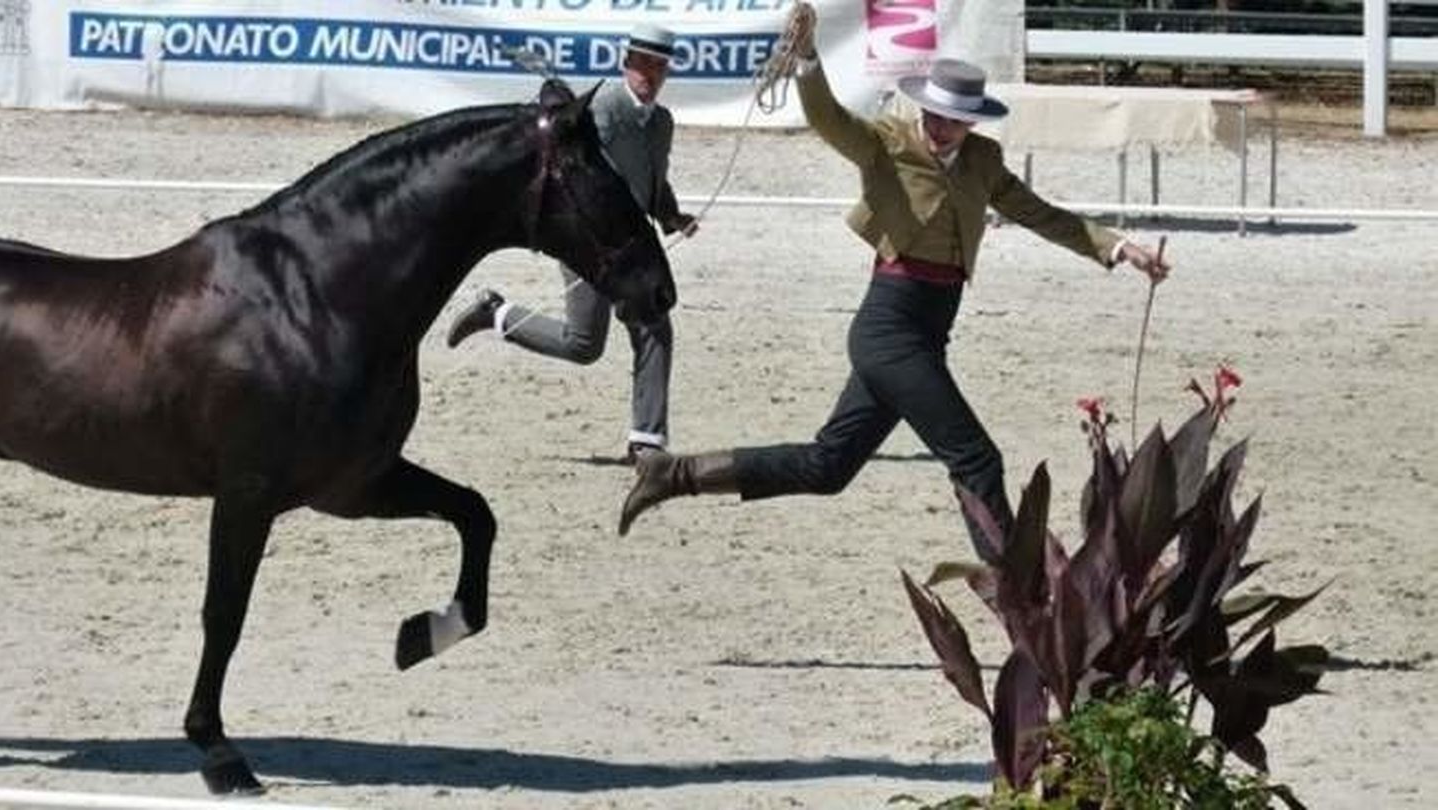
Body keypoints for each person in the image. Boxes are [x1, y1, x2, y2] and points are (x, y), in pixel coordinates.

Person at [617, 2, 1170, 560]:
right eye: (932, 114)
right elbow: (830, 118)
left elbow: (1041, 213)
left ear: (973, 119)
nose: (939, 126)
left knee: (828, 466)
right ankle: (1021, 594)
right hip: (889, 328)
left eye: (952, 118)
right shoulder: (887, 143)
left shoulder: (983, 159)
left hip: (929, 333)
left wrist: (1120, 248)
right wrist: (807, 60)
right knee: (977, 459)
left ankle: (674, 473)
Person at [447, 22, 699, 462]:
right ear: (627, 63)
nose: (651, 74)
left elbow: (655, 181)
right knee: (583, 345)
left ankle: (647, 442)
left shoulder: (662, 123)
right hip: (588, 240)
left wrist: (671, 215)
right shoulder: (598, 109)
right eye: (644, 63)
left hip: (632, 246)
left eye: (659, 66)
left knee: (655, 325)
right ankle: (498, 314)